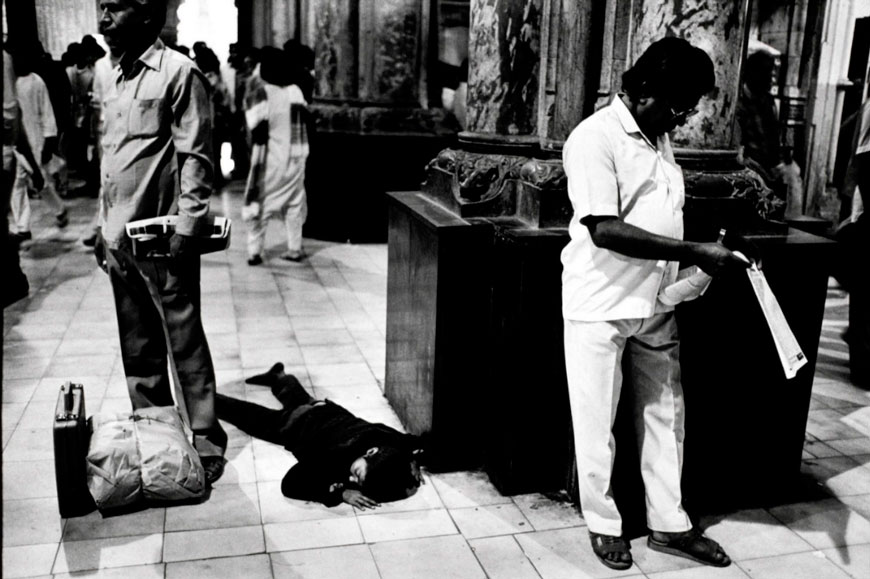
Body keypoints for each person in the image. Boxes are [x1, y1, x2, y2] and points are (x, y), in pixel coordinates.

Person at [561, 37, 750, 571]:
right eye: (677, 104)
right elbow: (604, 229)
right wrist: (693, 250)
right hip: (599, 303)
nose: (683, 117)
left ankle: (670, 525)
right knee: (596, 421)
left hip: (655, 301)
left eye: (689, 107)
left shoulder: (657, 135)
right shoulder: (595, 138)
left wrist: (700, 260)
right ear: (642, 88)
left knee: (667, 417)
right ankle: (603, 524)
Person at [95, 0, 227, 483]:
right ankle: (157, 432)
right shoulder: (106, 74)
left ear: (149, 17)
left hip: (159, 237)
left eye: (115, 8)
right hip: (117, 236)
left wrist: (189, 226)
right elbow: (109, 158)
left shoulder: (178, 72)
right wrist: (101, 225)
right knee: (137, 343)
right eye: (101, 7)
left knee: (182, 339)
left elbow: (196, 156)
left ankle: (207, 433)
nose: (103, 19)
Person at [216, 362, 424, 507]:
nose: (351, 477)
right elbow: (290, 483)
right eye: (357, 474)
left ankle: (278, 376)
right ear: (370, 452)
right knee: (247, 416)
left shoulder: (387, 441)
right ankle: (209, 400)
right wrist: (339, 493)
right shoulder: (333, 455)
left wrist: (411, 462)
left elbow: (416, 443)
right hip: (296, 424)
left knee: (297, 396)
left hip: (324, 409)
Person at [243, 46, 310, 265]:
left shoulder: (261, 93)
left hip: (271, 158)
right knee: (294, 203)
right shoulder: (295, 91)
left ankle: (255, 252)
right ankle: (295, 248)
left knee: (260, 203)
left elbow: (255, 126)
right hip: (296, 157)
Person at [9, 45, 69, 240]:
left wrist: (49, 138)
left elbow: (46, 111)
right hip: (15, 141)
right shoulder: (10, 83)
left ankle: (59, 209)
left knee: (40, 182)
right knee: (17, 184)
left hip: (34, 140)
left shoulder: (36, 81)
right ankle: (22, 227)